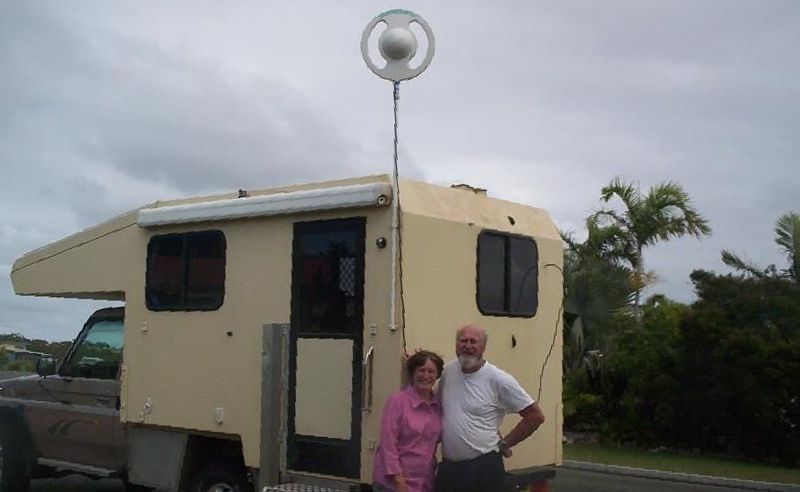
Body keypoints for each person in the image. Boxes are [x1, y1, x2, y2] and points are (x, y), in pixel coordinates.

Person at [435, 324, 545, 492]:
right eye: (463, 341)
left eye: (474, 342)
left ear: (484, 347)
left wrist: (505, 443)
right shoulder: (448, 371)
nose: (468, 346)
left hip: (483, 468)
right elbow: (434, 402)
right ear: (456, 344)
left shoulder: (499, 379)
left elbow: (535, 416)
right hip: (450, 469)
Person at [373, 350, 445, 492]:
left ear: (437, 376)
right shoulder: (397, 401)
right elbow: (388, 445)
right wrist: (399, 481)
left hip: (424, 483)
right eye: (421, 370)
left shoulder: (438, 405)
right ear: (412, 373)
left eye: (431, 371)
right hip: (393, 484)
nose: (426, 376)